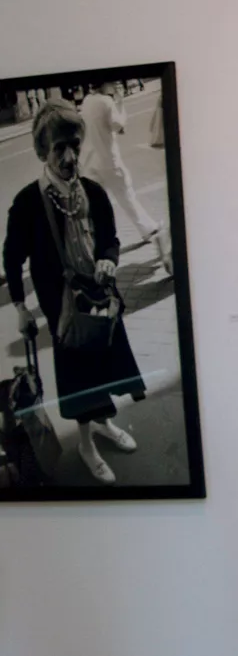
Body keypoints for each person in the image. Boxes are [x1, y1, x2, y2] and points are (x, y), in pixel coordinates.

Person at [3, 99, 147, 485]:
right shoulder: (27, 203)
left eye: (74, 147)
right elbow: (11, 258)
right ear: (42, 152)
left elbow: (111, 239)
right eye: (58, 149)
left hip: (101, 300)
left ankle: (102, 425)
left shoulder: (94, 193)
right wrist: (20, 307)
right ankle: (86, 444)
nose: (69, 157)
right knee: (80, 375)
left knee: (104, 365)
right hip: (63, 309)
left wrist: (108, 260)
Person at [79, 82, 172, 275]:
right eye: (112, 83)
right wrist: (120, 103)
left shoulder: (87, 101)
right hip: (109, 161)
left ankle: (87, 242)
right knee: (126, 196)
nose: (114, 86)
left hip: (91, 162)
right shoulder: (106, 102)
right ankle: (149, 229)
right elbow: (120, 126)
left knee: (95, 205)